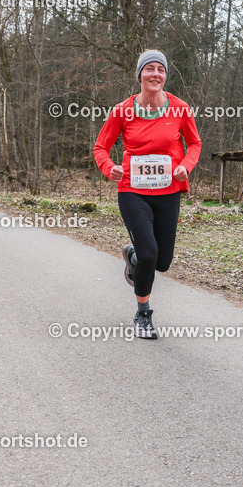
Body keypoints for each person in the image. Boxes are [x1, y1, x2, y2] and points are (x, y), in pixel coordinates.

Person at [93, 50, 202, 339]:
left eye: (161, 70)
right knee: (149, 252)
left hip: (168, 192)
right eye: (149, 69)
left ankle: (133, 256)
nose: (156, 74)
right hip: (132, 191)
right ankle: (143, 315)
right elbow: (100, 148)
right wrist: (109, 168)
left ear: (166, 75)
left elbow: (195, 144)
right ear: (140, 75)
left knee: (162, 262)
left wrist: (185, 166)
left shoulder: (179, 108)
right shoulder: (122, 110)